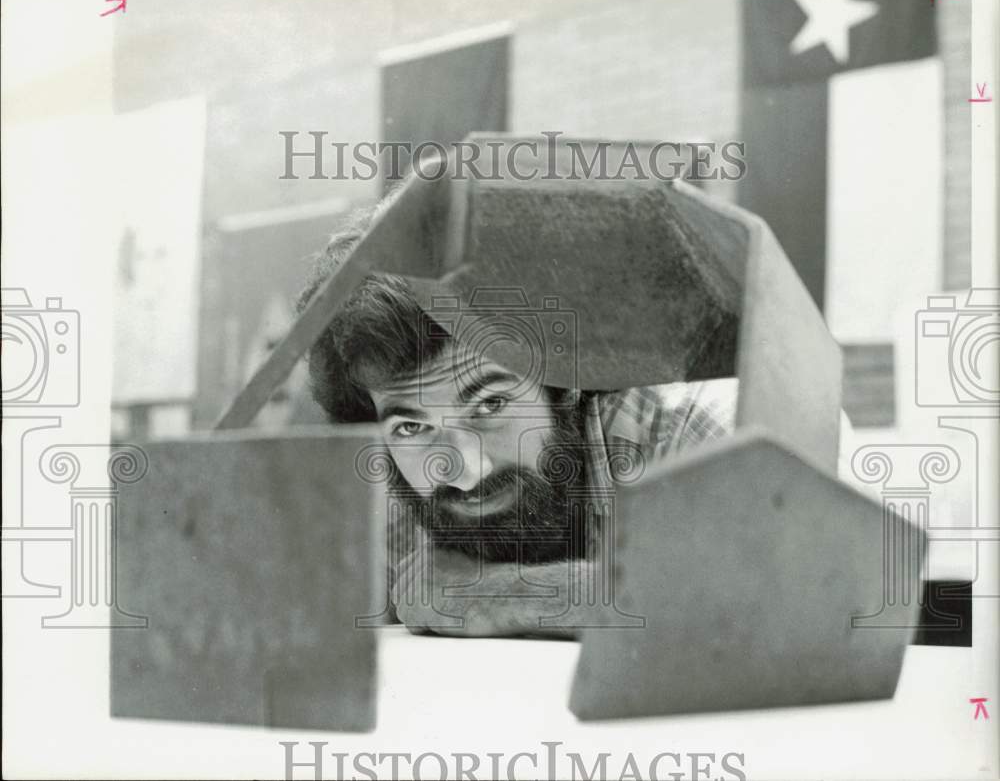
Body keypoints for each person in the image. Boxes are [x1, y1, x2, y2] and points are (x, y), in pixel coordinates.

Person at [298, 205, 853, 638]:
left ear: (568, 383)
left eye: (490, 404)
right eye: (411, 427)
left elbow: (812, 603)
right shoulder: (392, 495)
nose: (464, 472)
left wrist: (501, 594)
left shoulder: (704, 429)